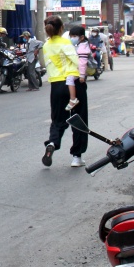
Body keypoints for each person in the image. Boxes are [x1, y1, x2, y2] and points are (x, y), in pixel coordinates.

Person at [41, 18, 88, 168]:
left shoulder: (46, 45)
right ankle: (76, 156)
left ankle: (53, 143)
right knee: (79, 119)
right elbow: (75, 61)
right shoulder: (65, 43)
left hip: (56, 85)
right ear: (61, 28)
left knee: (57, 120)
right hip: (73, 83)